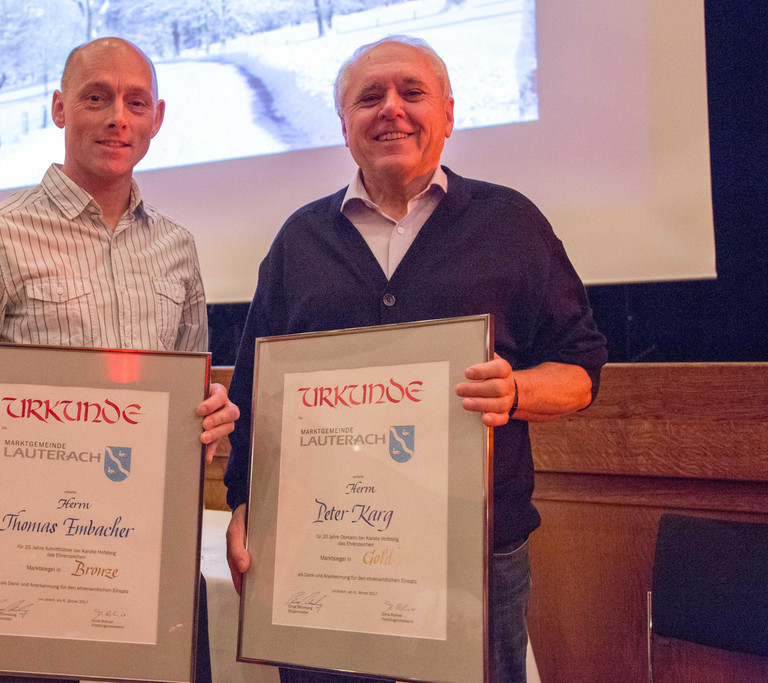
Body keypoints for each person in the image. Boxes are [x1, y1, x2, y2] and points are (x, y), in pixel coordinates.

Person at [223, 36, 607, 683]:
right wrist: (242, 503)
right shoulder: (299, 241)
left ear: (448, 114)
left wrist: (516, 391)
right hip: (325, 549)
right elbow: (254, 393)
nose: (391, 109)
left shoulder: (512, 223)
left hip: (474, 559)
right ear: (344, 124)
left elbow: (581, 368)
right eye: (369, 97)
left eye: (412, 92)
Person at [0, 37, 238, 683]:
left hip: (152, 568)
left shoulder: (178, 249)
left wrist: (210, 413)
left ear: (157, 118)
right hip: (31, 570)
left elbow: (189, 397)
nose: (118, 118)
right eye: (96, 98)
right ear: (59, 108)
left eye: (136, 103)